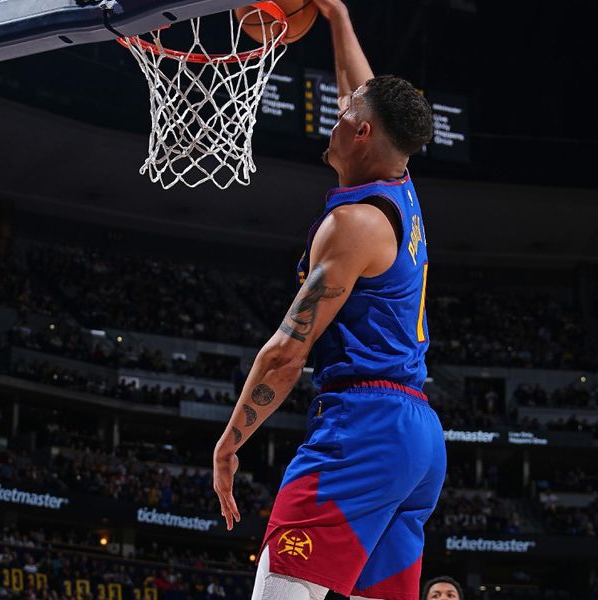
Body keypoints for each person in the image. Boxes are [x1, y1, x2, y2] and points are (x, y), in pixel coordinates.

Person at [212, 1, 444, 599]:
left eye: (346, 113)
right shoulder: (399, 184)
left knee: (281, 591)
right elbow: (363, 90)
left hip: (362, 429)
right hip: (417, 438)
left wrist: (230, 442)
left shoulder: (356, 225)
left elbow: (287, 354)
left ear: (362, 132)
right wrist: (337, 12)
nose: (337, 112)